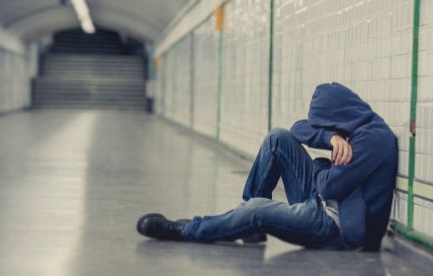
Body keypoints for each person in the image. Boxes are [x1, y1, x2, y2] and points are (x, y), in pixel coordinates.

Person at [137, 82, 398, 251]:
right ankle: (251, 228)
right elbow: (299, 128)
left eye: (328, 126)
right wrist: (330, 137)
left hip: (336, 227)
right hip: (320, 201)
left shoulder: (371, 140)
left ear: (338, 117)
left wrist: (319, 162)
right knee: (278, 137)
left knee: (256, 209)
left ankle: (188, 230)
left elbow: (329, 187)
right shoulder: (357, 126)